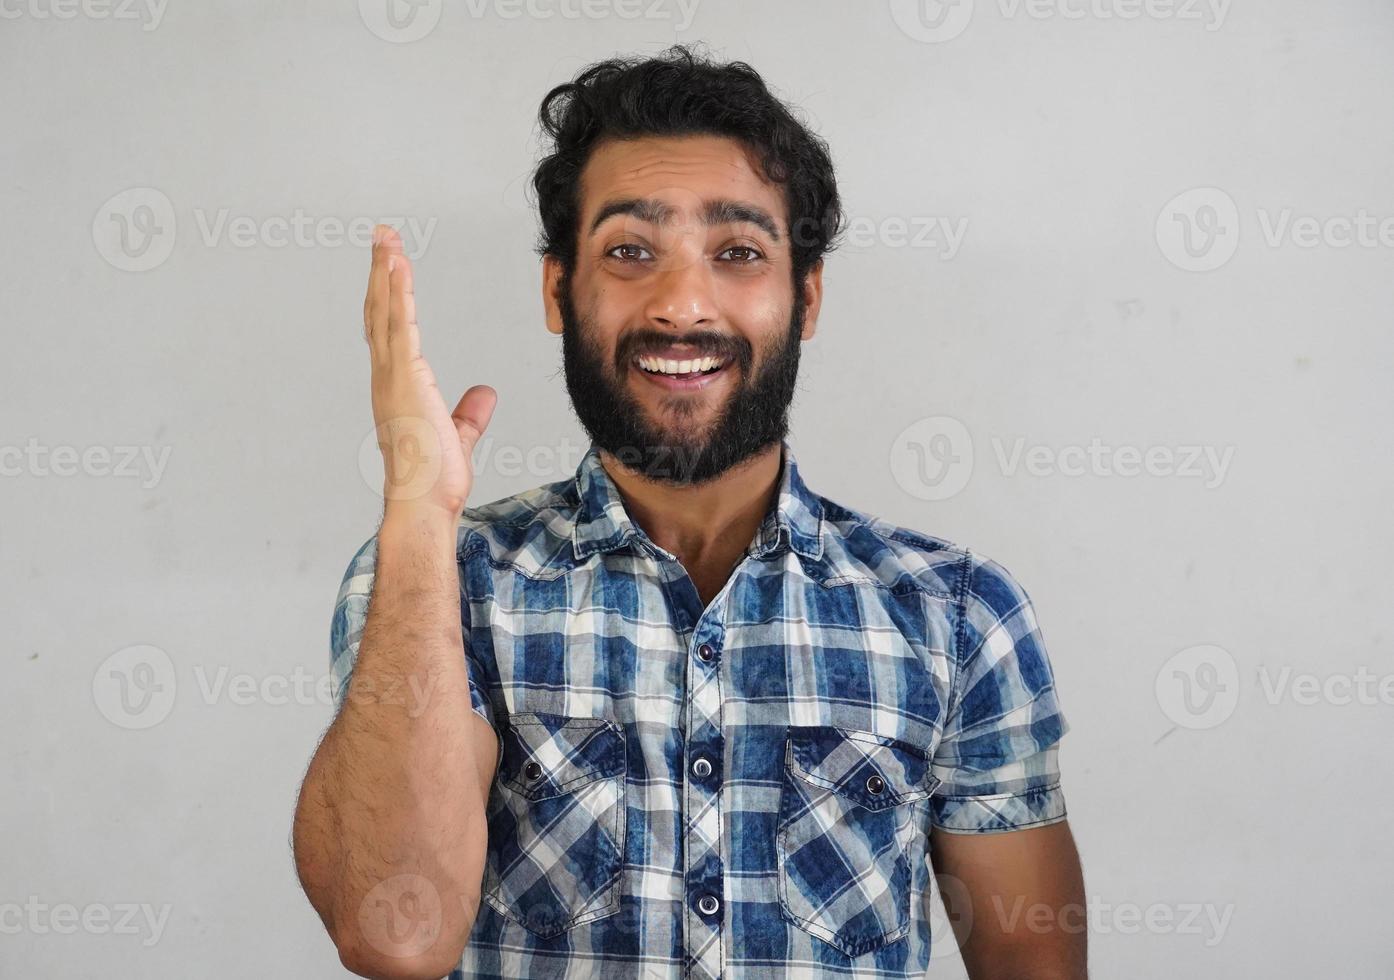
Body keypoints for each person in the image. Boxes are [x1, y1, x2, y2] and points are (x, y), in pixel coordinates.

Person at [292, 43, 1086, 980]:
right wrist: (417, 516)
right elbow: (393, 936)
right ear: (559, 290)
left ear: (807, 296)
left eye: (739, 252)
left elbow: (1033, 963)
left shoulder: (957, 614)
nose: (681, 303)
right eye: (630, 251)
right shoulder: (444, 581)